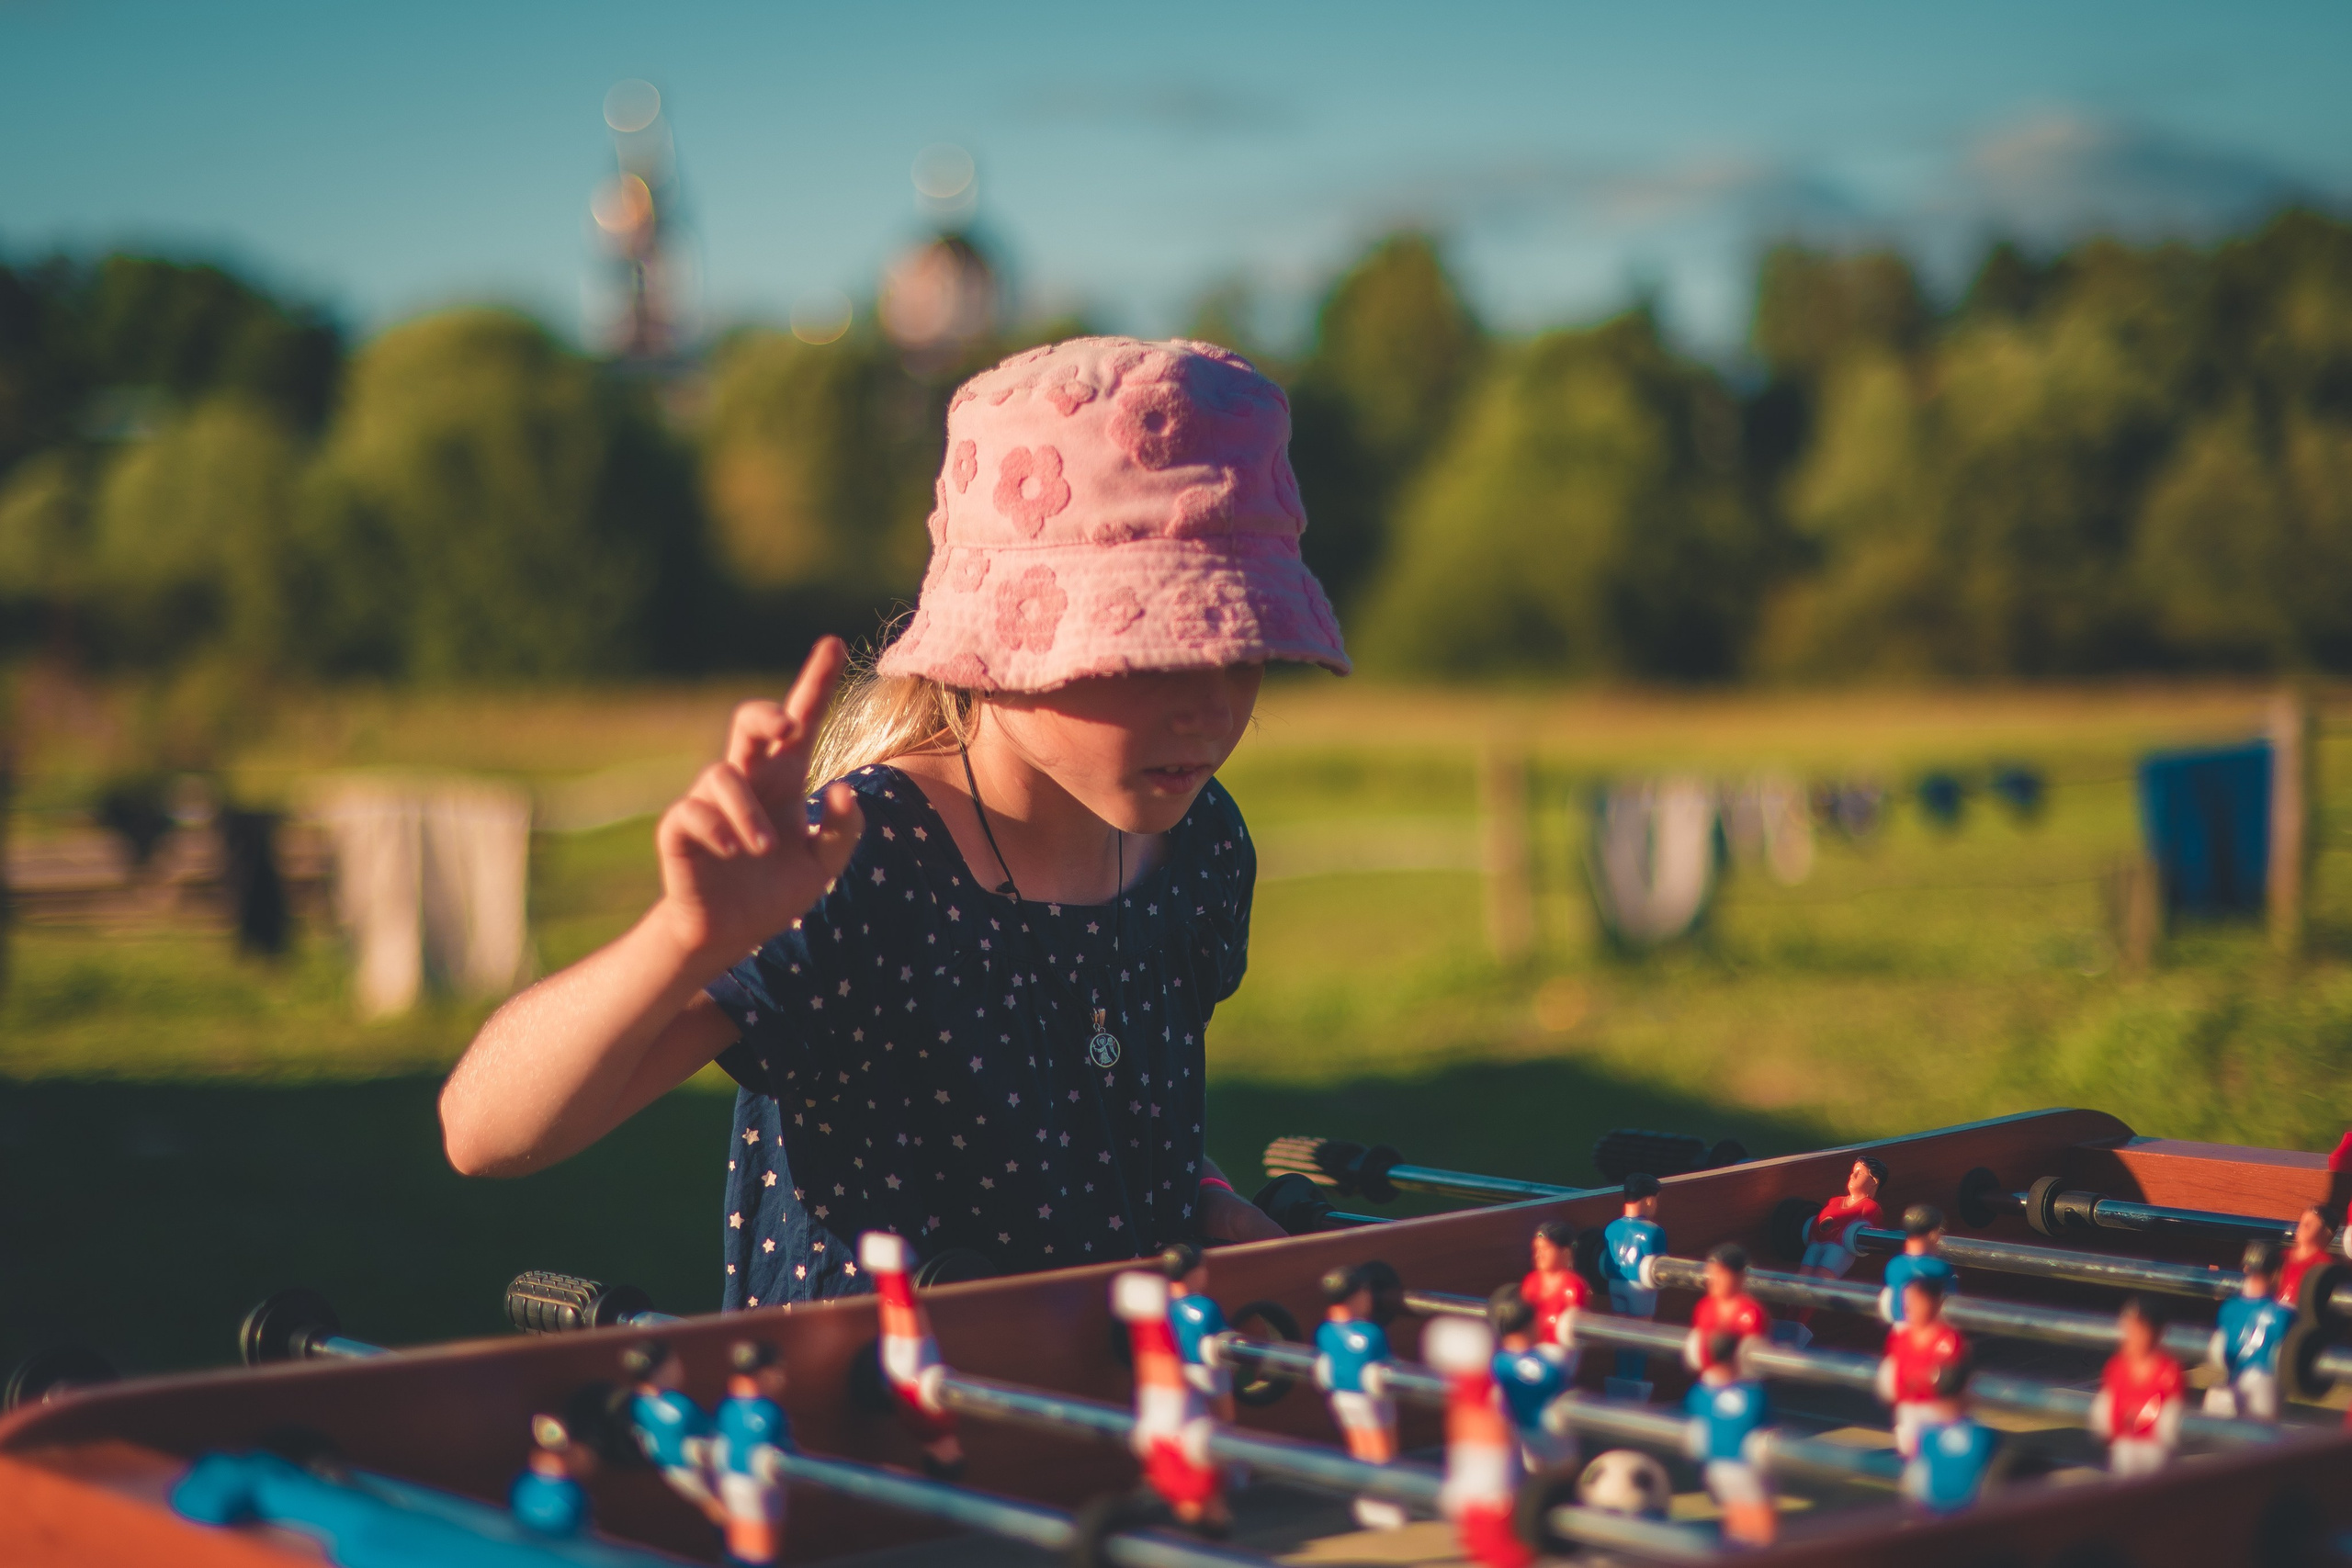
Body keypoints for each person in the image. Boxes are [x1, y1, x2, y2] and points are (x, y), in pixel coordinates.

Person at [437, 338, 1349, 1306]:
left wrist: (1197, 1194)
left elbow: (1102, 1119)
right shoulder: (858, 861)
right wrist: (684, 937)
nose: (1209, 707)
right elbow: (484, 1133)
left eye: (1239, 642)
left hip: (1124, 1411)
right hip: (878, 1432)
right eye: (1151, 652)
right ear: (994, 645)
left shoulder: (1199, 847)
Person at [1314, 1265, 1404, 1529]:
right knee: (1381, 1449)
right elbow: (1388, 1366)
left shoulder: (1325, 1331)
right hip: (1370, 1399)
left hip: (1343, 1397)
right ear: (1354, 1296)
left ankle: (1368, 1499)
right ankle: (1385, 1502)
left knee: (1360, 1447)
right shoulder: (1372, 1334)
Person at [1781, 1156, 1886, 1347]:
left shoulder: (1870, 1208)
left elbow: (1868, 1230)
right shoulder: (1835, 1201)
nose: (1853, 1175)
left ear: (1874, 1181)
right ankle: (1785, 1323)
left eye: (1860, 1173)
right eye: (1853, 1170)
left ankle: (1796, 1330)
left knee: (1817, 1286)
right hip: (1816, 1244)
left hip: (1838, 1249)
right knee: (1800, 1282)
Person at [1683, 1332, 1775, 1547]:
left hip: (1717, 1466)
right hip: (1746, 1465)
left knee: (1735, 1517)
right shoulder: (1752, 1393)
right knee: (1762, 1525)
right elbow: (1764, 1424)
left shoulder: (1698, 1393)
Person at [714, 1342, 793, 1565]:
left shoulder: (726, 1407)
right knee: (759, 1551)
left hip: (734, 1482)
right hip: (755, 1487)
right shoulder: (770, 1412)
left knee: (743, 1546)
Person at [2090, 1296, 2185, 1477]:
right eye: (2127, 1328)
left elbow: (2172, 1424)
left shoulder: (2170, 1372)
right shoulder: (2116, 1367)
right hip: (2123, 1448)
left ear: (2157, 1332)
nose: (2131, 1336)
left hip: (2155, 1452)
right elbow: (2105, 1418)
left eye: (2139, 1329)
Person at [1488, 1284, 1577, 1473]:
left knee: (1534, 1475)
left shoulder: (1497, 1364)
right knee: (1562, 1475)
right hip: (1550, 1433)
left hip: (1523, 1434)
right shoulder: (1551, 1359)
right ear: (1530, 1324)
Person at [1878, 1275, 1966, 1458]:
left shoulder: (1948, 1339)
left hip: (1937, 1412)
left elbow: (1948, 1383)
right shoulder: (1900, 1337)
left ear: (1934, 1302)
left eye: (1917, 1300)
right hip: (1909, 1410)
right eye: (1909, 1301)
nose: (1910, 1307)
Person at [1901, 1359, 1998, 1515]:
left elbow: (1912, 1487)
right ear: (1966, 1393)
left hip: (1933, 1519)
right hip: (1972, 1520)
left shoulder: (1927, 1435)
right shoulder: (1984, 1436)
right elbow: (1991, 1486)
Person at [1600, 1174, 1666, 1398]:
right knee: (1640, 1336)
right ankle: (1635, 1382)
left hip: (1616, 1284)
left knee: (1621, 1334)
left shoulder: (1611, 1229)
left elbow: (1607, 1263)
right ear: (1648, 1200)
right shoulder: (1653, 1232)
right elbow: (1659, 1268)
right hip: (1640, 1288)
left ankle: (1620, 1379)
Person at [2209, 1240, 2290, 1422]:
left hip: (2230, 1385)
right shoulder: (2285, 1315)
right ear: (2276, 1273)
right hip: (2263, 1387)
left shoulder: (2229, 1307)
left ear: (2246, 1268)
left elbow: (2218, 1353)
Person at [1159, 1243, 1235, 1423]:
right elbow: (1225, 1343)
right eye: (1202, 1267)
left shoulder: (1161, 1306)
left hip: (1173, 1373)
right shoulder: (1206, 1308)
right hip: (1208, 1372)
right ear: (1194, 1273)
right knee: (1223, 1423)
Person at [1683, 1243, 1770, 1373]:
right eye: (1711, 1273)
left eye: (1720, 1274)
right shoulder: (1705, 1307)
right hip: (1710, 1379)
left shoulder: (1751, 1313)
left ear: (1739, 1277)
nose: (1713, 1280)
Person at [1521, 1219, 1589, 1367]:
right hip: (1530, 1346)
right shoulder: (1531, 1281)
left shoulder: (1573, 1285)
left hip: (1558, 1349)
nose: (1539, 1255)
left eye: (1545, 1249)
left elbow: (1574, 1324)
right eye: (1537, 1249)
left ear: (1565, 1253)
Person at [1878, 1204, 1957, 1325]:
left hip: (1899, 1332)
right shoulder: (1940, 1269)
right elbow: (1952, 1305)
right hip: (1929, 1333)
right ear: (1933, 1235)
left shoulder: (1894, 1265)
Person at [2276, 1204, 2335, 1313]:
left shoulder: (2323, 1263)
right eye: (2302, 1223)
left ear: (2326, 1233)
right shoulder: (2283, 1256)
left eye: (2309, 1225)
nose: (2302, 1227)